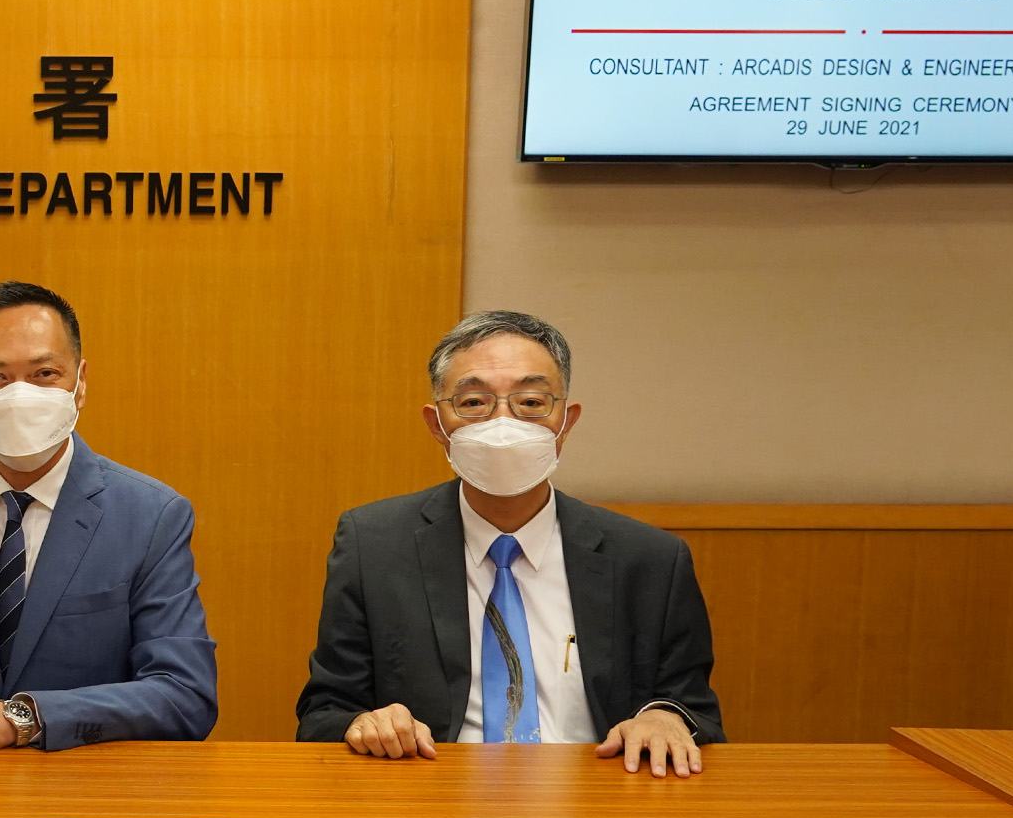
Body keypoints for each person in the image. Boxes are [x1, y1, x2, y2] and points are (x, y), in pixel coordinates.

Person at [295, 309, 721, 775]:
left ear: (566, 422)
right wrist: (366, 723)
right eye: (474, 402)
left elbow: (694, 709)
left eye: (532, 402)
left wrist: (663, 718)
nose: (503, 423)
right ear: (437, 425)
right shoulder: (373, 545)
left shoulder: (649, 559)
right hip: (432, 799)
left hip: (597, 806)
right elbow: (324, 712)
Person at [0, 281, 218, 751]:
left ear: (80, 383)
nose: (19, 395)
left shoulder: (150, 515)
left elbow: (185, 695)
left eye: (45, 373)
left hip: (85, 796)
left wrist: (22, 718)